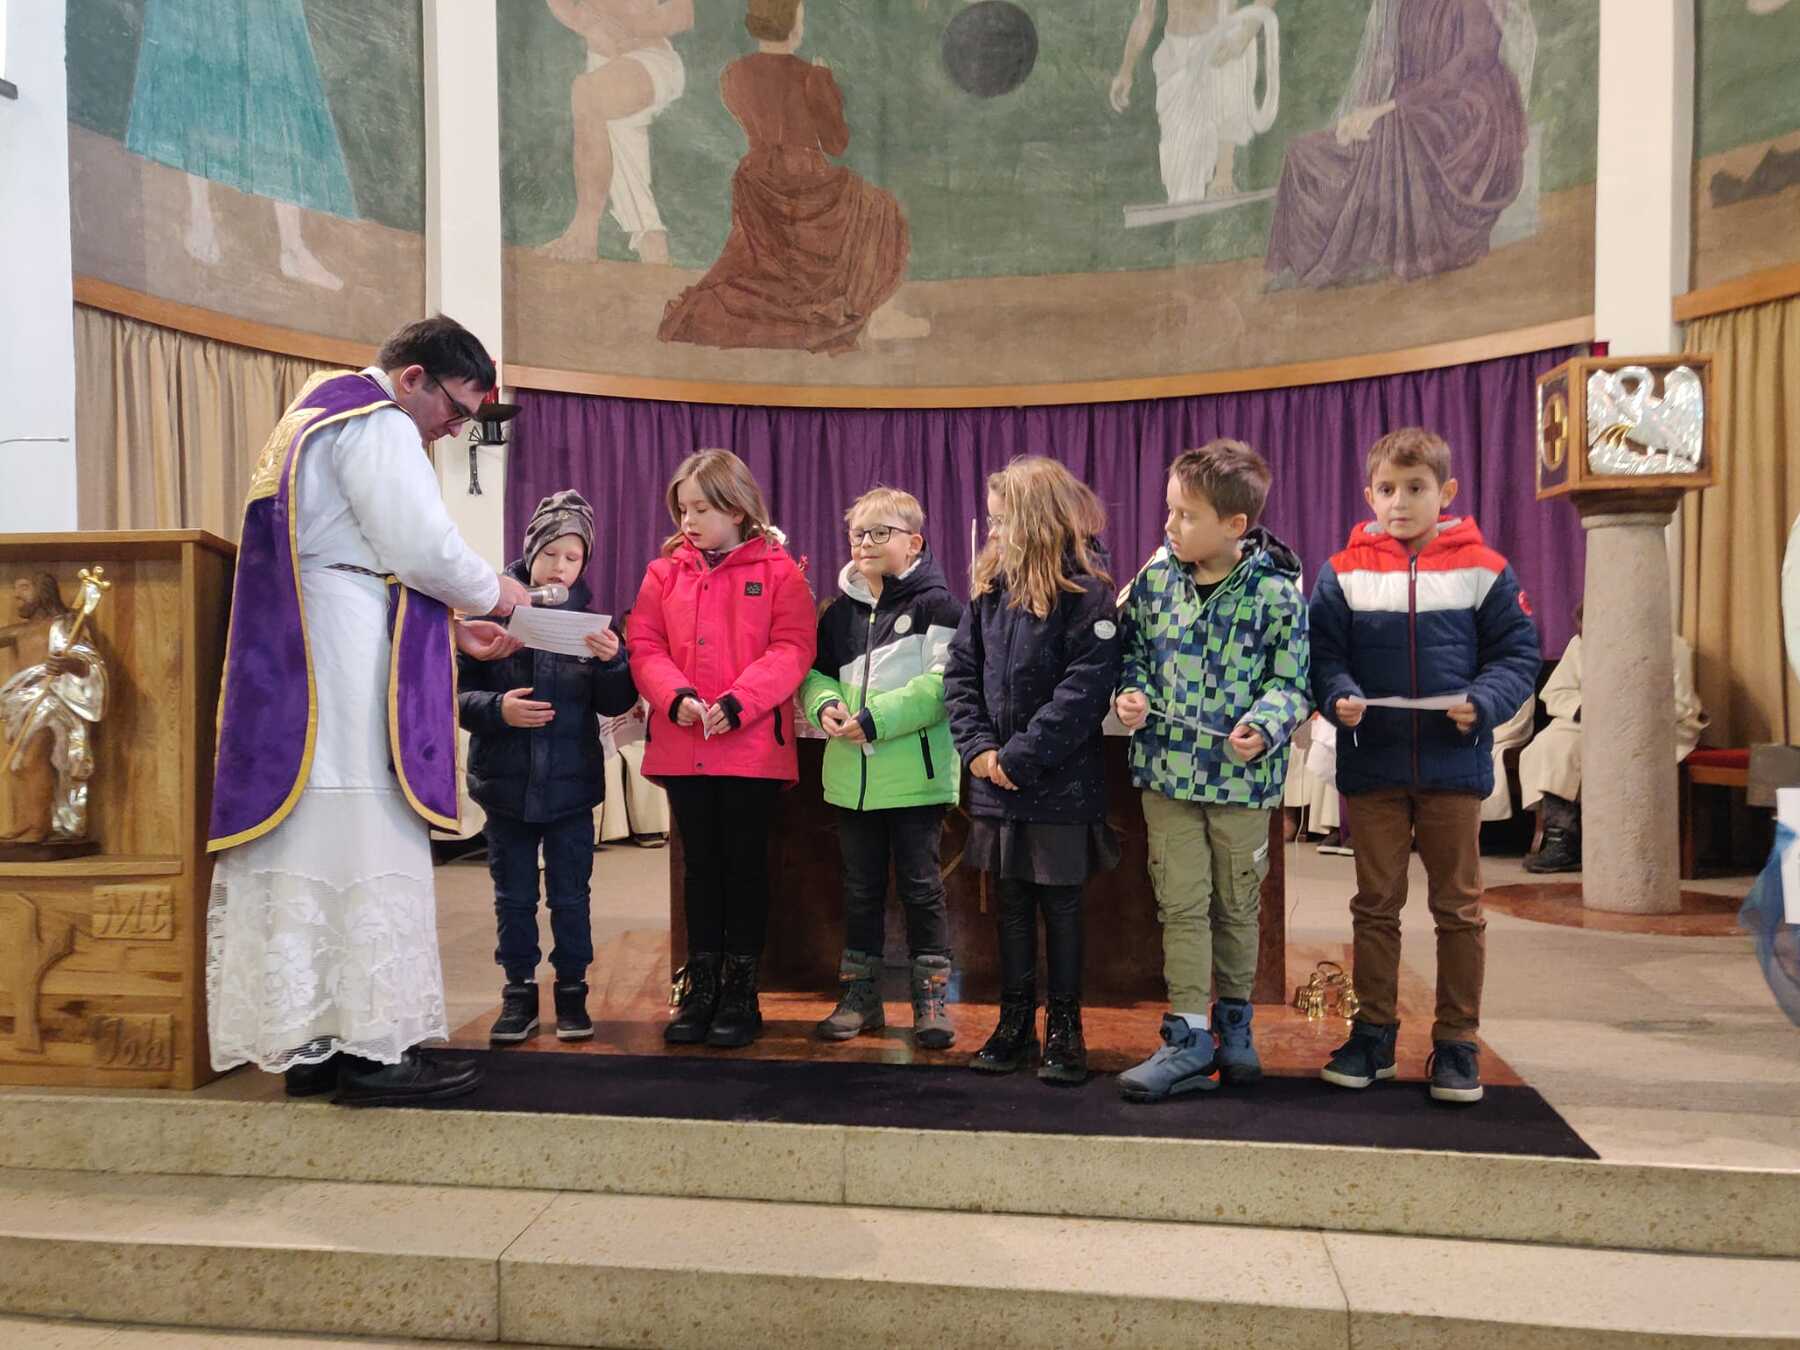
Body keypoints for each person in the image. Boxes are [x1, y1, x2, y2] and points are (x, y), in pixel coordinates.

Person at [206, 315, 530, 1106]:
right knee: (364, 831)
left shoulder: (314, 414)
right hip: (345, 662)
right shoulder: (377, 422)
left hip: (314, 644)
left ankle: (314, 1046)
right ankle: (374, 1052)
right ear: (413, 378)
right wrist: (496, 593)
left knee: (315, 844)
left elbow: (354, 552)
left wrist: (452, 626)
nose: (455, 429)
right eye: (456, 409)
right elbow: (418, 546)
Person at [1309, 427, 1538, 1104]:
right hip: (1373, 767)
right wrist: (1338, 696)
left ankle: (1458, 1042)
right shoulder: (1342, 572)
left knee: (1458, 909)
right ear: (1369, 495)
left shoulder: (1485, 569)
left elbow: (1516, 655)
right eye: (1387, 489)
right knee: (1374, 907)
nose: (1400, 502)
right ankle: (1373, 1035)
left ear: (1447, 492)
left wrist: (1484, 702)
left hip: (1451, 767)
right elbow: (1323, 656)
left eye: (1415, 488)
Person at [1113, 441, 1310, 1101]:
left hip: (1241, 783)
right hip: (1167, 775)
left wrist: (1266, 724)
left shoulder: (1276, 592)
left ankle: (1235, 1026)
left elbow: (1293, 681)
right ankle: (1188, 1037)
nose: (1169, 524)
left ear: (1234, 525)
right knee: (1182, 905)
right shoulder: (1153, 582)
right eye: (1170, 510)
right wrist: (1131, 693)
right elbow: (1132, 655)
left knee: (1237, 905)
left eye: (1186, 514)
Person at [627, 449, 816, 1048]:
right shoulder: (664, 573)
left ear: (737, 510)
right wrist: (674, 696)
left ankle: (740, 992)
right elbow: (644, 645)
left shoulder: (780, 572)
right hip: (685, 742)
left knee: (744, 867)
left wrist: (739, 702)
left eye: (701, 509)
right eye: (683, 509)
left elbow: (793, 648)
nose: (688, 521)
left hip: (750, 746)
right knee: (700, 869)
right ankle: (700, 988)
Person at [944, 457, 1123, 1087]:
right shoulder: (989, 589)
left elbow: (1084, 690)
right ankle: (1014, 1022)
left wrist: (1019, 757)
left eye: (1002, 521)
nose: (993, 532)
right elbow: (959, 673)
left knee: (1061, 907)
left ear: (1037, 522)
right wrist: (979, 750)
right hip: (996, 784)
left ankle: (1065, 1029)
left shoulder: (1087, 592)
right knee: (1011, 904)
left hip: (1058, 784)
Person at [458, 491, 638, 1044]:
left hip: (570, 788)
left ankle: (572, 991)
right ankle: (518, 993)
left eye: (573, 557)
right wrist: (500, 709)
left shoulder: (592, 621)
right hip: (505, 786)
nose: (560, 566)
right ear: (530, 550)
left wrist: (614, 662)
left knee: (571, 896)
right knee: (513, 897)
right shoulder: (489, 609)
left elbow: (615, 703)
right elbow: (457, 698)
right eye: (551, 553)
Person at [657, 0, 925, 353]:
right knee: (882, 210)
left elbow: (753, 118)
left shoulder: (734, 73)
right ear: (794, 27)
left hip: (757, 181)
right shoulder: (811, 76)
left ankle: (826, 308)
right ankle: (880, 314)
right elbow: (837, 143)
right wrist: (825, 85)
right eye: (800, 16)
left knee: (768, 261)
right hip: (806, 179)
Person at [801, 487, 966, 1049]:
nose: (865, 544)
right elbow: (815, 675)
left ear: (913, 543)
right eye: (857, 534)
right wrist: (825, 704)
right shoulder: (838, 613)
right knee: (860, 891)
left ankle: (931, 1002)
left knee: (922, 890)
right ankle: (861, 998)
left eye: (879, 533)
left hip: (915, 782)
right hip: (853, 782)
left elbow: (942, 687)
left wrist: (875, 719)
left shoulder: (940, 607)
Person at [1264, 0, 1535, 289]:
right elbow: (1387, 63)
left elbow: (1472, 61)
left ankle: (1363, 256)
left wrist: (1388, 108)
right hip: (1411, 104)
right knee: (1305, 151)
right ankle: (1306, 260)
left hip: (1469, 110)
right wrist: (1358, 116)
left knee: (1396, 127)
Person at [1520, 606, 1708, 874]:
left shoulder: (1670, 646)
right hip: (1592, 721)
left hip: (1651, 724)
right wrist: (1587, 709)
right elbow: (1558, 692)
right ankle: (1562, 839)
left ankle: (1628, 845)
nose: (1585, 639)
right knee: (1551, 744)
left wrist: (1624, 712)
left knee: (1621, 751)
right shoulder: (1580, 644)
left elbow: (1682, 705)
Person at [541, 0, 695, 265]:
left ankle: (584, 232)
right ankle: (654, 253)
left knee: (587, 94)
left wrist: (628, 27)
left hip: (649, 61)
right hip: (603, 63)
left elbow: (683, 14)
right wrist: (585, 24)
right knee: (629, 185)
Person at [1108, 0, 1279, 203]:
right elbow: (1146, 14)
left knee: (1231, 59)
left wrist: (1245, 35)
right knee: (1181, 185)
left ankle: (1224, 174)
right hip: (1175, 53)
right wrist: (1126, 70)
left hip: (1220, 44)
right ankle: (1187, 198)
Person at [0, 574, 108, 843]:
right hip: (23, 703)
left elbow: (88, 662)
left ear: (43, 590)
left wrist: (66, 663)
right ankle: (29, 820)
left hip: (50, 702)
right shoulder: (20, 631)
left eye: (24, 587)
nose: (17, 595)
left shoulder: (65, 625)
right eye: (16, 589)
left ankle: (40, 826)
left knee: (32, 760)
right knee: (20, 765)